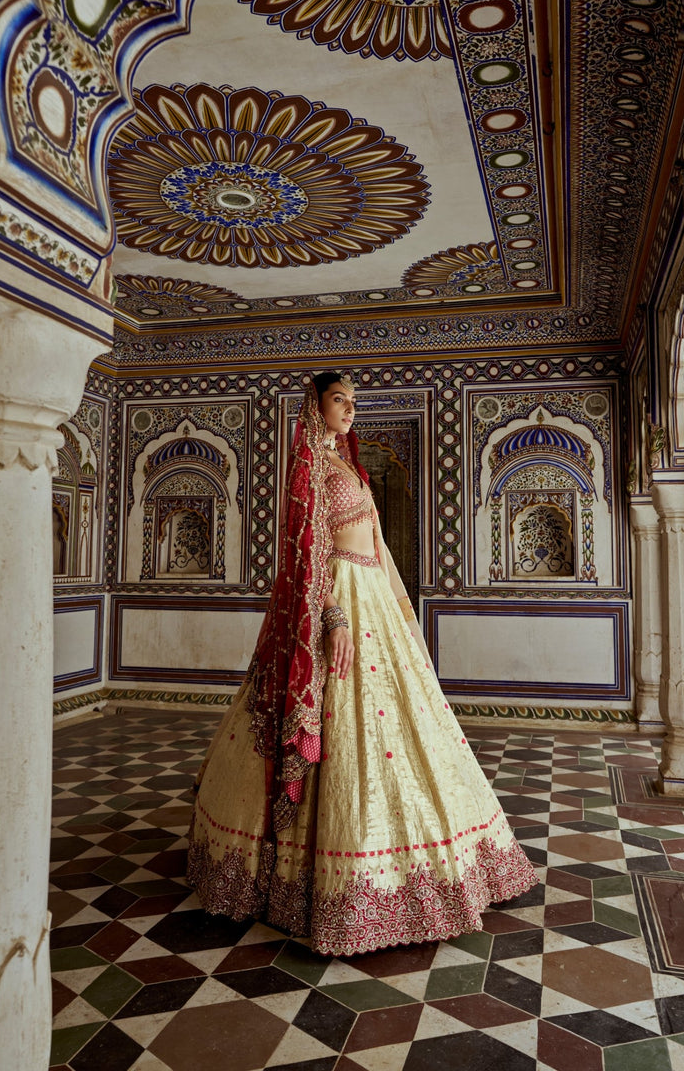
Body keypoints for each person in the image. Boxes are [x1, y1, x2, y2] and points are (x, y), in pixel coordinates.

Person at [187, 371, 537, 956]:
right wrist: (332, 617)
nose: (349, 410)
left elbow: (377, 545)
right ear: (315, 403)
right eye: (338, 400)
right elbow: (308, 550)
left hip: (372, 596)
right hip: (337, 599)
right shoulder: (310, 469)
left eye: (353, 402)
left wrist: (401, 615)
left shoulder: (349, 466)